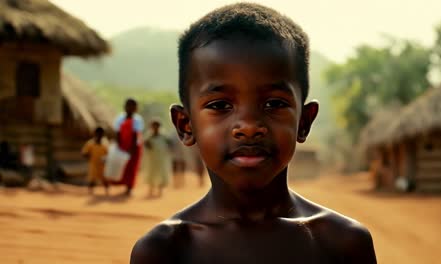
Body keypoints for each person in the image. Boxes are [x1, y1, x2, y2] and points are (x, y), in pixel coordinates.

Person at [131, 3, 377, 264]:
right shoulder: (164, 251)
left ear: (304, 122)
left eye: (274, 104)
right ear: (185, 125)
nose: (248, 126)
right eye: (220, 105)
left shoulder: (342, 244)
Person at [114, 98, 144, 196]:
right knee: (122, 167)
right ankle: (122, 185)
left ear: (136, 108)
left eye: (133, 106)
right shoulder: (119, 118)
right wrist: (119, 146)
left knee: (132, 168)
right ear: (124, 107)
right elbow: (117, 134)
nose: (130, 108)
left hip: (134, 147)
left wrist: (132, 148)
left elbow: (136, 135)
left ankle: (129, 187)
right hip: (122, 145)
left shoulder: (138, 120)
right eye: (128, 105)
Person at [143, 118, 172, 198]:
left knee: (162, 173)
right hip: (152, 159)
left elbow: (170, 144)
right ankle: (151, 189)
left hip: (162, 158)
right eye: (154, 126)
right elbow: (145, 145)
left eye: (157, 126)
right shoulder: (149, 137)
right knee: (151, 173)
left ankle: (160, 190)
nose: (155, 128)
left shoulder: (164, 136)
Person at [81, 127, 109, 195]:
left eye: (101, 134)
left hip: (102, 165)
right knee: (91, 179)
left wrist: (105, 159)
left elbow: (108, 154)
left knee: (105, 179)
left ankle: (107, 192)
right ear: (95, 134)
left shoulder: (105, 143)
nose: (99, 135)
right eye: (98, 133)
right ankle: (90, 192)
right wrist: (87, 156)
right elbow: (84, 153)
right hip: (93, 164)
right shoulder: (90, 143)